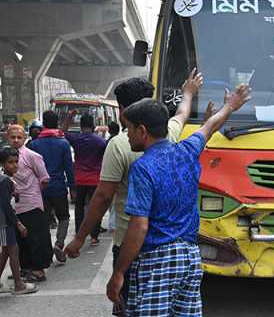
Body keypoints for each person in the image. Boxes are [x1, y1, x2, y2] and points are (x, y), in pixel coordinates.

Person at [65, 70, 210, 316]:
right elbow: (186, 115)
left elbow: (102, 198)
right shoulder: (169, 133)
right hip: (181, 249)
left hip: (133, 248)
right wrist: (189, 93)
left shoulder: (122, 146)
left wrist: (80, 239)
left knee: (131, 307)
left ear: (124, 112)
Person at [106, 84, 250, 315]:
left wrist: (119, 272)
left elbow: (139, 227)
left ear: (142, 131)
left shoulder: (143, 168)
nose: (128, 134)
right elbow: (210, 126)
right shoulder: (186, 150)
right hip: (190, 257)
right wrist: (230, 106)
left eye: (130, 129)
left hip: (157, 260)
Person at [7, 125, 52, 283]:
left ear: (25, 137)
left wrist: (33, 192)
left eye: (19, 137)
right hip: (14, 206)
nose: (16, 140)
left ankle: (38, 270)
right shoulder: (6, 157)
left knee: (35, 238)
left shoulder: (32, 156)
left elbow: (44, 178)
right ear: (8, 138)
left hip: (31, 203)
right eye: (13, 137)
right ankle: (24, 269)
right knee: (20, 240)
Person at [29, 111, 75, 263]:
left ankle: (47, 251)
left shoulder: (34, 144)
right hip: (58, 187)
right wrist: (72, 188)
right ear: (56, 123)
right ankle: (59, 243)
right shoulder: (63, 143)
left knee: (44, 220)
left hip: (40, 189)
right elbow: (69, 168)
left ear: (44, 124)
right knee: (64, 217)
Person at [62, 113, 107, 246]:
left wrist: (69, 117)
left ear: (81, 126)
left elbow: (62, 131)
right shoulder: (100, 142)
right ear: (93, 125)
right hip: (95, 180)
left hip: (80, 179)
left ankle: (78, 232)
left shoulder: (76, 139)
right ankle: (94, 236)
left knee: (79, 207)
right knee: (95, 207)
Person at [0, 147, 38, 295]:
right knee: (13, 250)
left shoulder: (7, 180)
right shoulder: (5, 182)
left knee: (6, 251)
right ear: (3, 164)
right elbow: (5, 206)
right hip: (4, 222)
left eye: (16, 162)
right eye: (10, 162)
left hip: (5, 221)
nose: (15, 165)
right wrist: (18, 223)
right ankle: (18, 284)